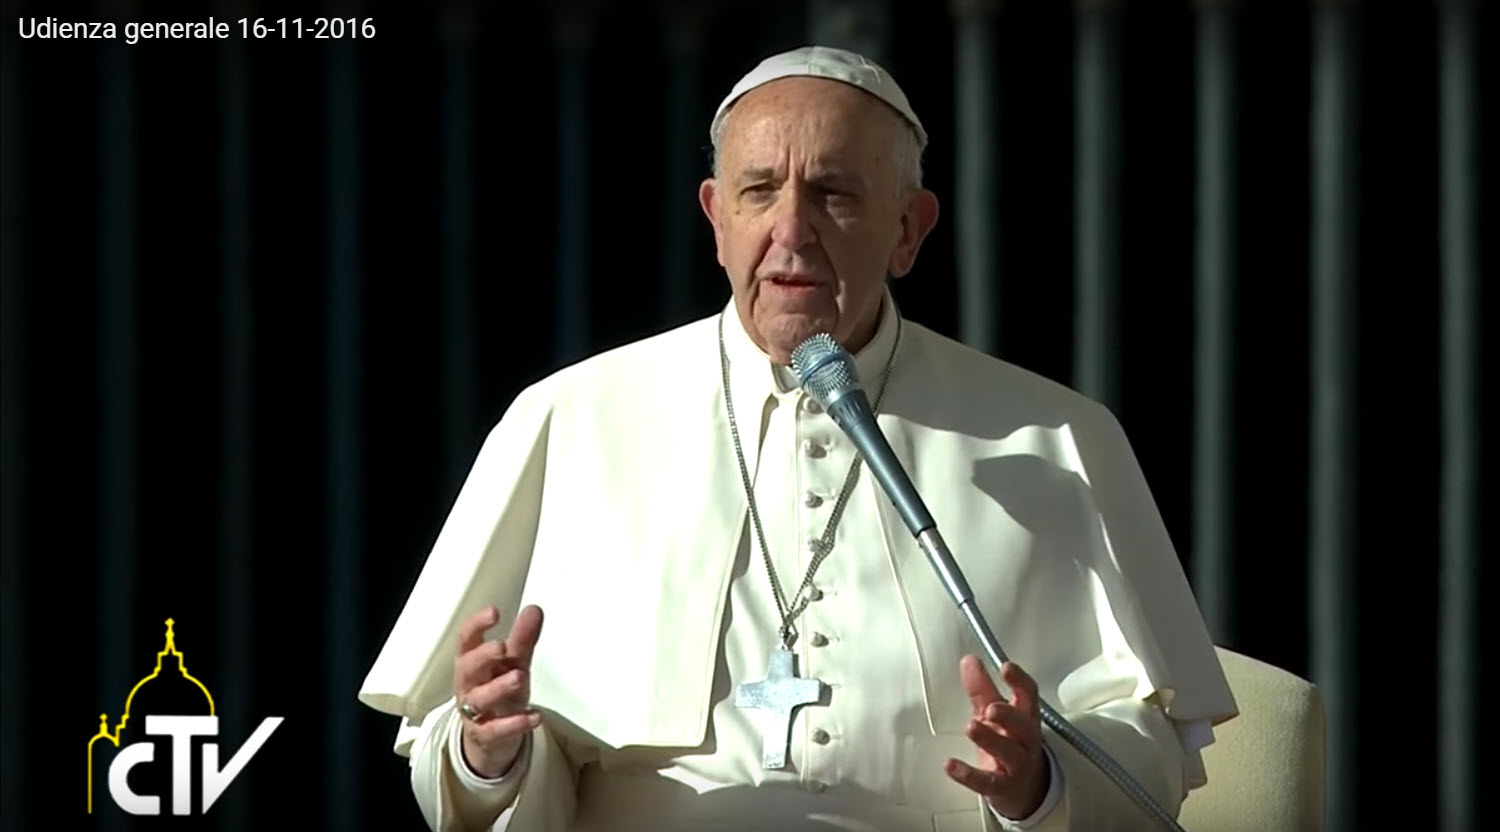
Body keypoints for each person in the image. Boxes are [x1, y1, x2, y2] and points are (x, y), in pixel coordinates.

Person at [358, 44, 1237, 832]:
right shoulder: (571, 418)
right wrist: (489, 751)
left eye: (834, 194)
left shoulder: (1053, 436)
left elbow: (1151, 746)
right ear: (715, 218)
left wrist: (1041, 781)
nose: (790, 231)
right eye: (758, 190)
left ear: (909, 229)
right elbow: (459, 779)